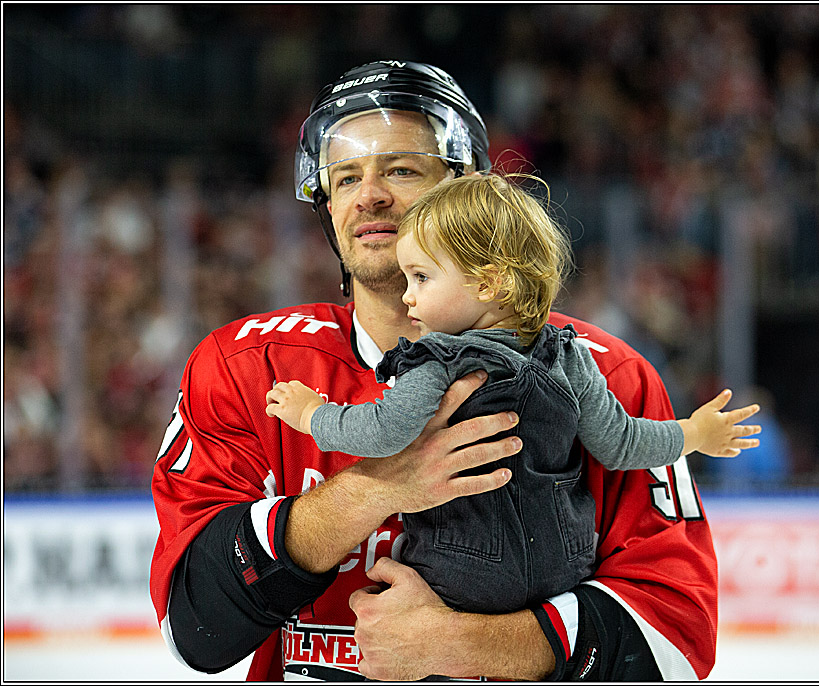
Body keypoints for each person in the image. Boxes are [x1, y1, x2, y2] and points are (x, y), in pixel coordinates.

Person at [150, 60, 722, 682]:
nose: (368, 194)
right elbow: (193, 628)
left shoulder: (603, 375)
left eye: (399, 169)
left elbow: (676, 638)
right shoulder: (246, 369)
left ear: (469, 195)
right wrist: (378, 487)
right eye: (344, 178)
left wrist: (469, 645)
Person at [264, 172, 761, 615]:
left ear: (488, 283)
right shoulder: (569, 356)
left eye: (420, 277)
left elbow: (385, 431)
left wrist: (313, 414)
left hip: (457, 573)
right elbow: (620, 444)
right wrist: (693, 433)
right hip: (562, 572)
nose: (407, 294)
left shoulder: (439, 359)